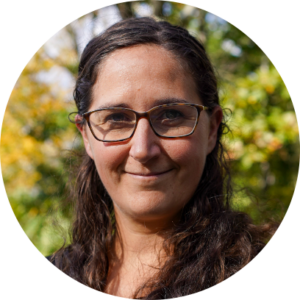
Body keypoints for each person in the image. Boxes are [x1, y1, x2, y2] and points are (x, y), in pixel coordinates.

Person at [45, 16, 278, 299]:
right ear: (87, 137)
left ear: (212, 129)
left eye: (171, 115)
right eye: (117, 118)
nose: (143, 149)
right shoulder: (54, 280)